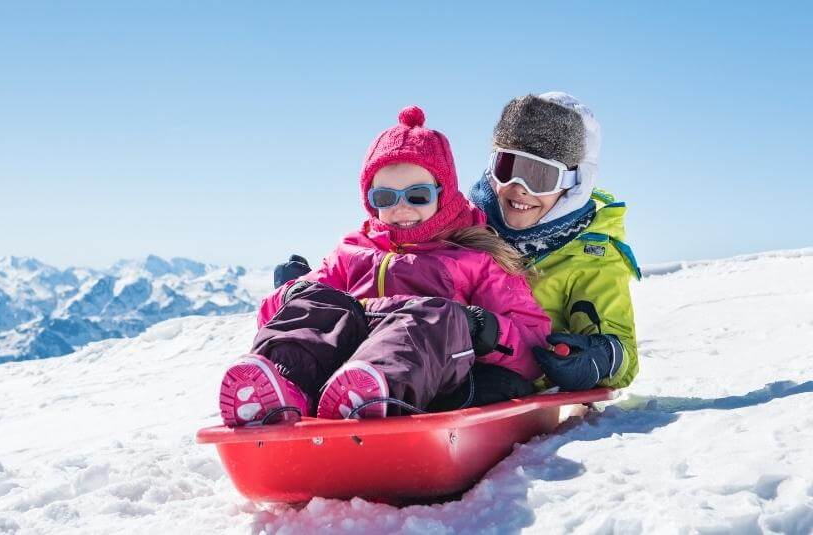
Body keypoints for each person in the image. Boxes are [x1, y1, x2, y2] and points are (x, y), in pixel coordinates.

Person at [219, 106, 551, 427]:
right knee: (320, 301)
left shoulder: (474, 259)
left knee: (436, 317)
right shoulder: (352, 251)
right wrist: (293, 292)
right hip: (338, 372)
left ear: (444, 193)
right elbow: (282, 317)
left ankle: (371, 394)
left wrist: (481, 329)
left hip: (431, 382)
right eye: (385, 198)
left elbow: (531, 345)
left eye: (417, 195)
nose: (401, 208)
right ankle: (280, 388)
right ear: (370, 202)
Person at [467, 92, 641, 391]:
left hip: (514, 383)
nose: (519, 188)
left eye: (540, 177)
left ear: (574, 185)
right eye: (508, 168)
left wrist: (599, 357)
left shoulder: (590, 257)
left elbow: (621, 350)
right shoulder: (465, 230)